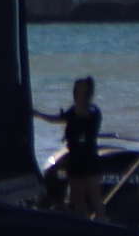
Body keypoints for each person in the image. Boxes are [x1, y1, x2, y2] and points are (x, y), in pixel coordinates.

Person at [41, 75, 106, 216]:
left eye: (80, 92)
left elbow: (82, 114)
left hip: (89, 159)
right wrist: (37, 114)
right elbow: (56, 119)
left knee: (95, 198)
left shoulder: (93, 112)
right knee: (78, 199)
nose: (78, 95)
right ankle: (86, 227)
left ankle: (103, 224)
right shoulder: (73, 111)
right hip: (75, 160)